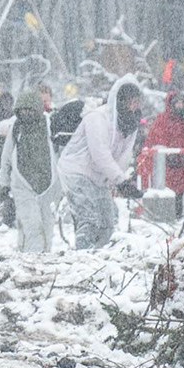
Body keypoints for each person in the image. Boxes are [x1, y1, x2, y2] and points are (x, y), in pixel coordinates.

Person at [57, 75, 145, 249]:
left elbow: (123, 155)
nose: (134, 106)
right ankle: (83, 257)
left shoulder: (129, 124)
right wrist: (120, 180)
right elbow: (100, 154)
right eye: (131, 101)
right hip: (77, 171)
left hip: (98, 177)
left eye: (137, 102)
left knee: (107, 219)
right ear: (120, 101)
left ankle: (100, 254)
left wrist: (121, 181)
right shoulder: (98, 118)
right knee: (89, 219)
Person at [0, 82, 60, 252]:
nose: (27, 114)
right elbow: (7, 156)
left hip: (46, 183)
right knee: (31, 224)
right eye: (23, 110)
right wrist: (3, 182)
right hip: (22, 183)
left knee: (47, 223)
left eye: (30, 110)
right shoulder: (16, 127)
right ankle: (33, 258)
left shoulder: (48, 124)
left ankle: (45, 255)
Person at [143, 89, 184, 214]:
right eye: (177, 103)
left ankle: (179, 215)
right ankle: (168, 215)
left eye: (182, 103)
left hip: (183, 163)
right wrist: (169, 155)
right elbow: (157, 138)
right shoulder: (162, 120)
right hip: (167, 163)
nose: (180, 106)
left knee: (181, 192)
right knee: (167, 190)